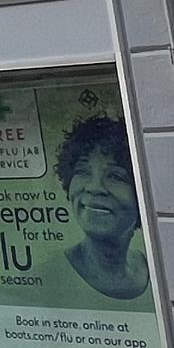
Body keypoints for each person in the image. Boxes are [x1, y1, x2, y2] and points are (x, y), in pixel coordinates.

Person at [55, 113, 148, 301]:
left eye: (115, 176)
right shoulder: (45, 279)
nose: (94, 187)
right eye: (82, 171)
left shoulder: (150, 267)